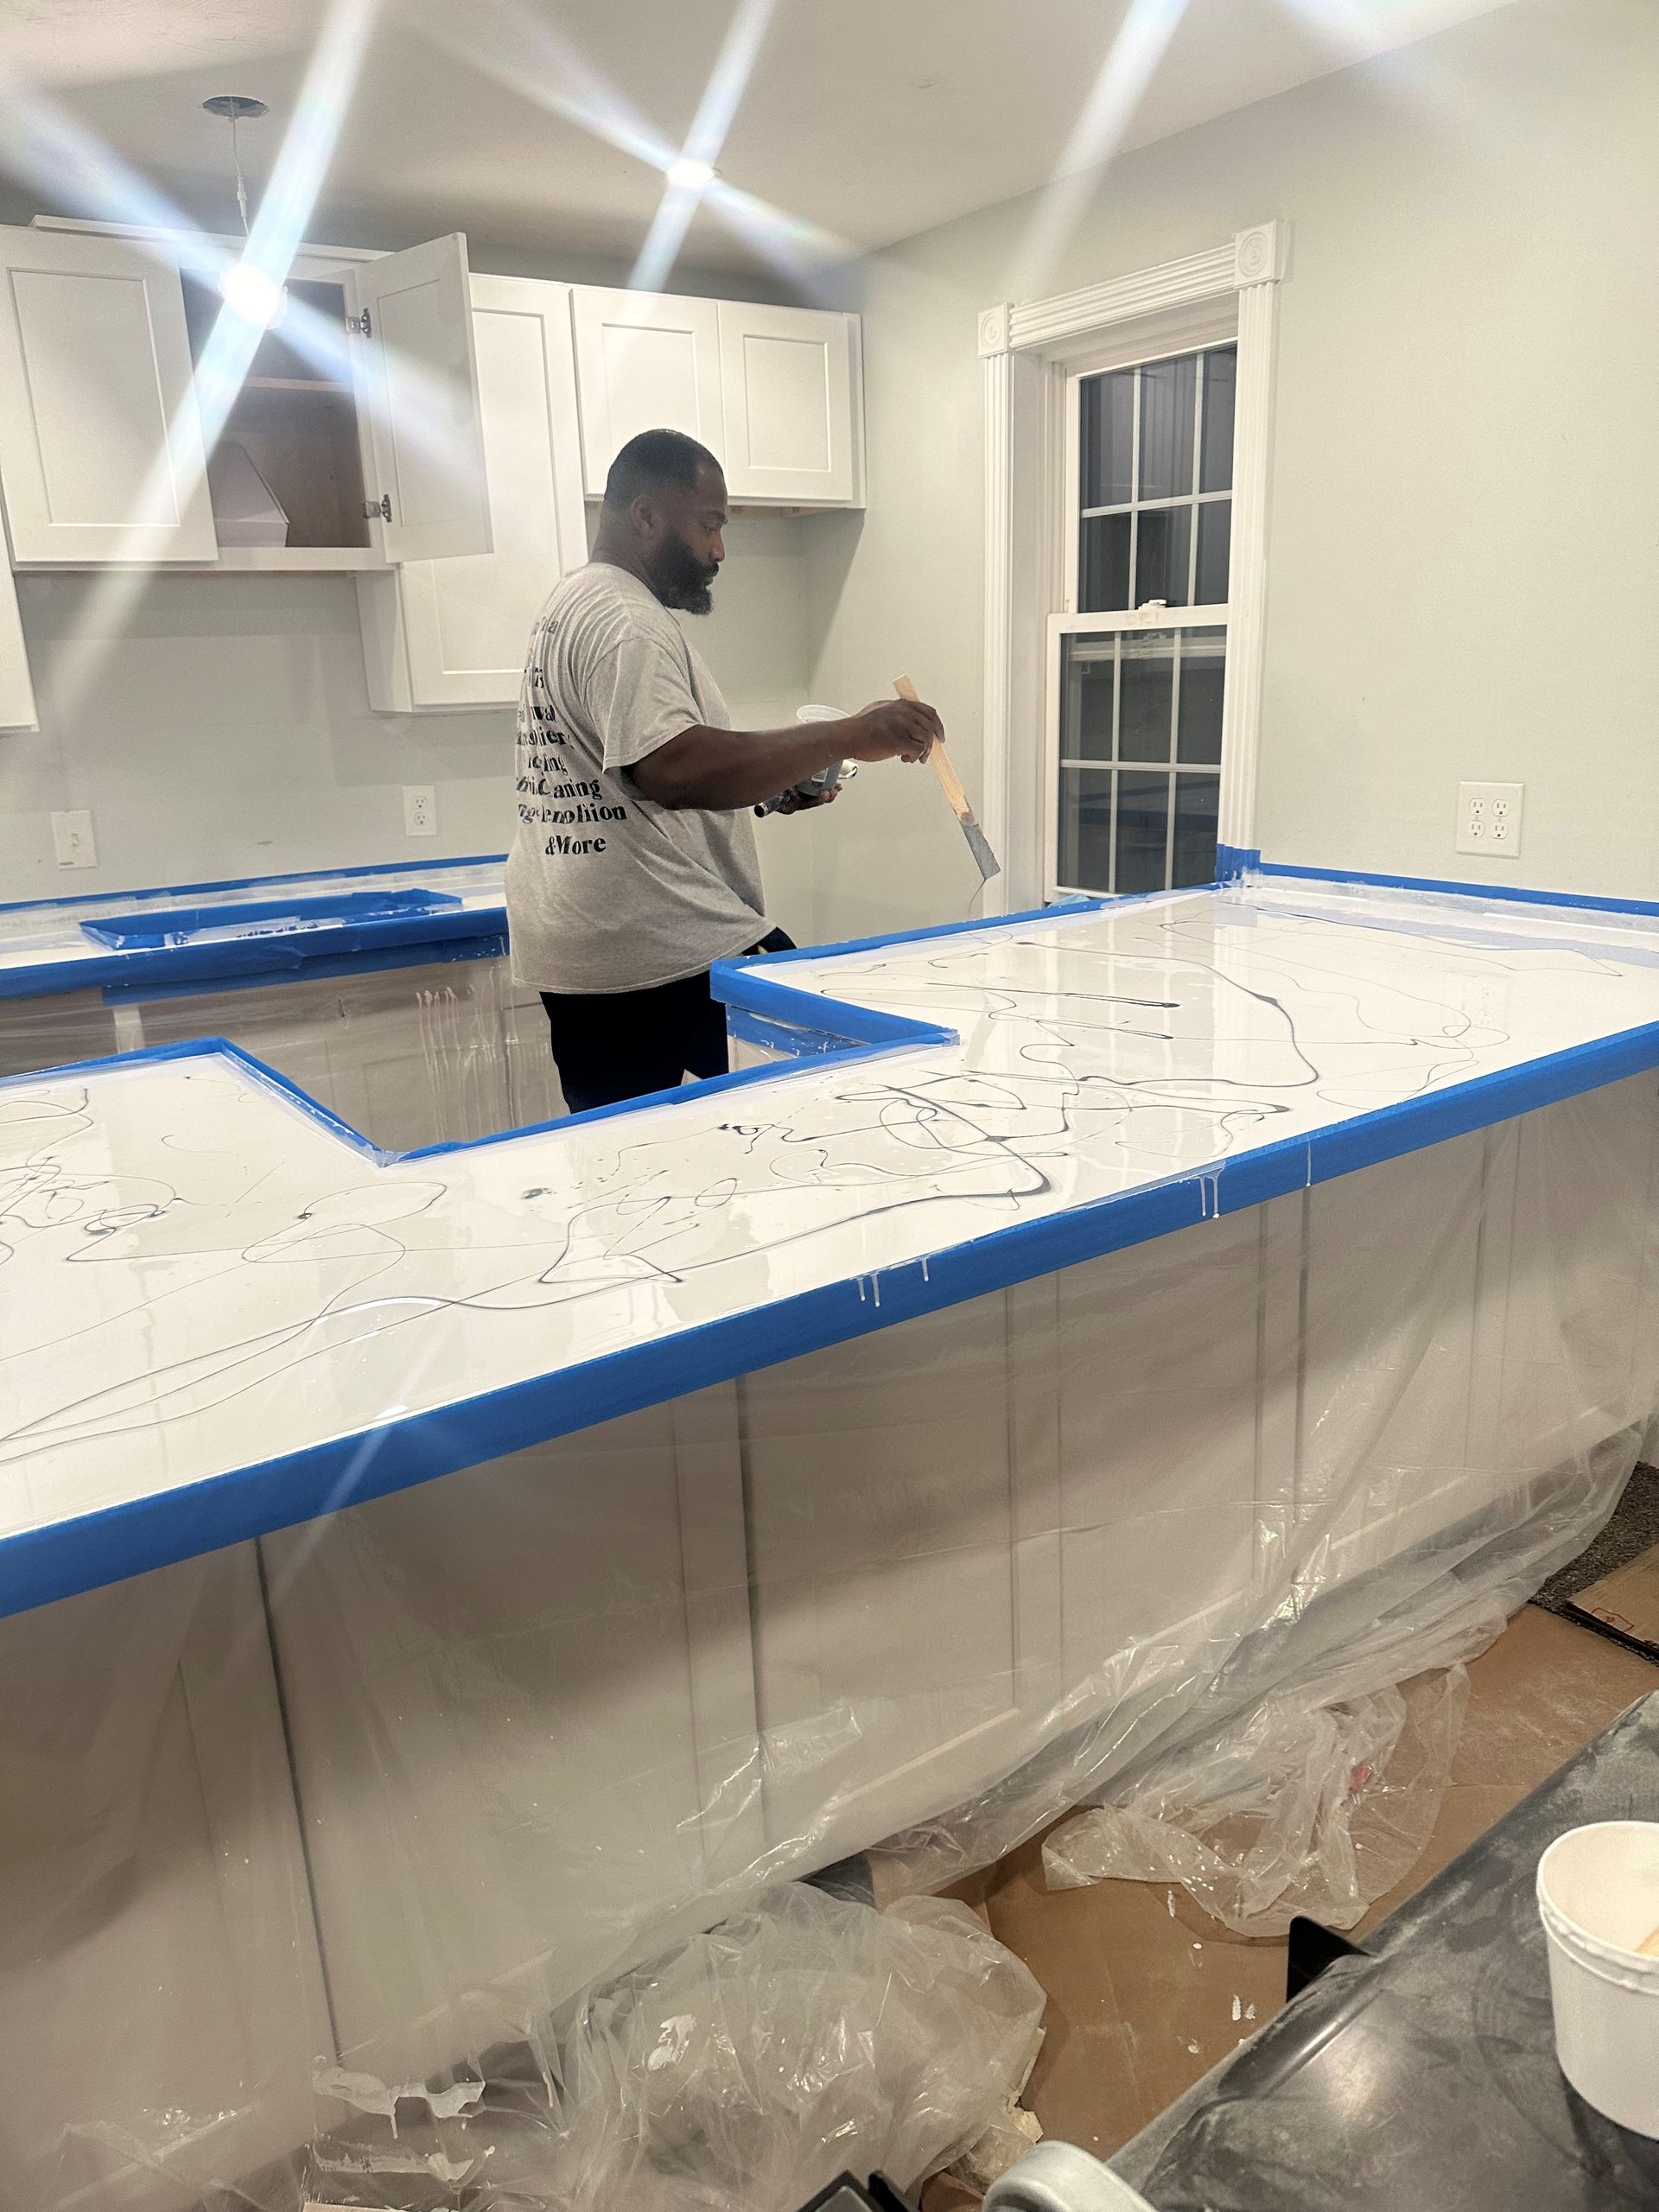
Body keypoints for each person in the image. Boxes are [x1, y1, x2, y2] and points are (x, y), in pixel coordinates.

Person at [505, 427, 942, 1115]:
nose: (718, 550)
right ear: (646, 516)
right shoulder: (627, 620)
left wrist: (773, 787)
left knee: (623, 1163)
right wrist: (849, 733)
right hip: (661, 944)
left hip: (584, 948)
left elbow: (629, 776)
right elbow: (672, 771)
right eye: (709, 524)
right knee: (830, 1089)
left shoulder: (575, 603)